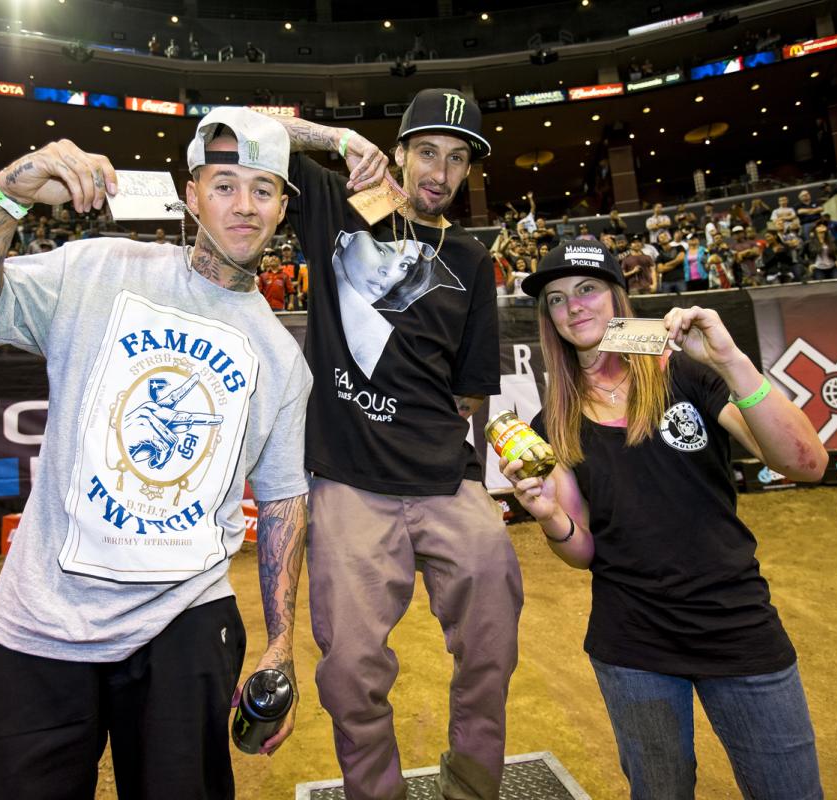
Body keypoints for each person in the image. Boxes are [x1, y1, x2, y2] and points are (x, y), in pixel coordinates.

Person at [0, 109, 312, 799]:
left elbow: (282, 500)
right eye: (224, 184)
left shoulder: (283, 358)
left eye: (263, 188)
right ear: (190, 195)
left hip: (185, 620)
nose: (244, 206)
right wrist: (7, 193)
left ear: (283, 206)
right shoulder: (98, 266)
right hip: (41, 616)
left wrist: (281, 643)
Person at [271, 89, 523, 800]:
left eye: (457, 159)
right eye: (427, 152)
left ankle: (471, 788)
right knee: (349, 670)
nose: (440, 171)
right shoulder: (337, 206)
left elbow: (469, 388)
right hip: (349, 482)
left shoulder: (471, 259)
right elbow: (239, 132)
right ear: (401, 153)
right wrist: (336, 138)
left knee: (491, 646)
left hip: (447, 480)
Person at [507, 242, 827, 799]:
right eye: (556, 299)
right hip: (634, 645)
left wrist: (728, 358)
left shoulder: (685, 374)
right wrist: (550, 515)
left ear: (618, 299)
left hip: (738, 626)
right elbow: (582, 550)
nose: (573, 307)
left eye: (587, 289)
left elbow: (806, 464)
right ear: (549, 320)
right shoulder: (551, 420)